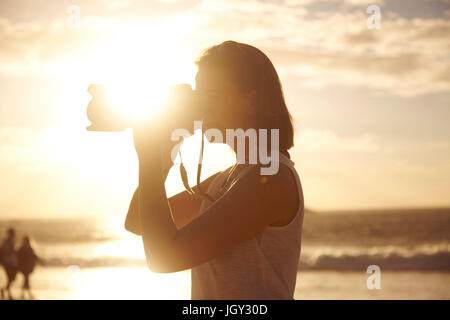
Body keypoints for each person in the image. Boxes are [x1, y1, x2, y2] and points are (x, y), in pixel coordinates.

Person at [124, 40, 305, 299]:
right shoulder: (228, 180)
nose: (203, 109)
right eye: (200, 97)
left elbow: (163, 258)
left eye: (213, 96)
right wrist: (165, 152)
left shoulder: (271, 176)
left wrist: (149, 155)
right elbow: (136, 221)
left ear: (250, 101)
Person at [16, 235, 44, 300]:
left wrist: (41, 262)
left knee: (26, 280)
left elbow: (35, 256)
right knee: (26, 280)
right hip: (23, 267)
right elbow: (17, 256)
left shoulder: (29, 249)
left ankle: (24, 294)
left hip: (28, 267)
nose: (27, 242)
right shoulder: (22, 249)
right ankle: (27, 294)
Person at [0, 228, 18, 300]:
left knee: (12, 279)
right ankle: (9, 294)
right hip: (7, 262)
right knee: (10, 278)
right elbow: (3, 251)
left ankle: (4, 290)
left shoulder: (12, 241)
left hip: (13, 262)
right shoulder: (6, 241)